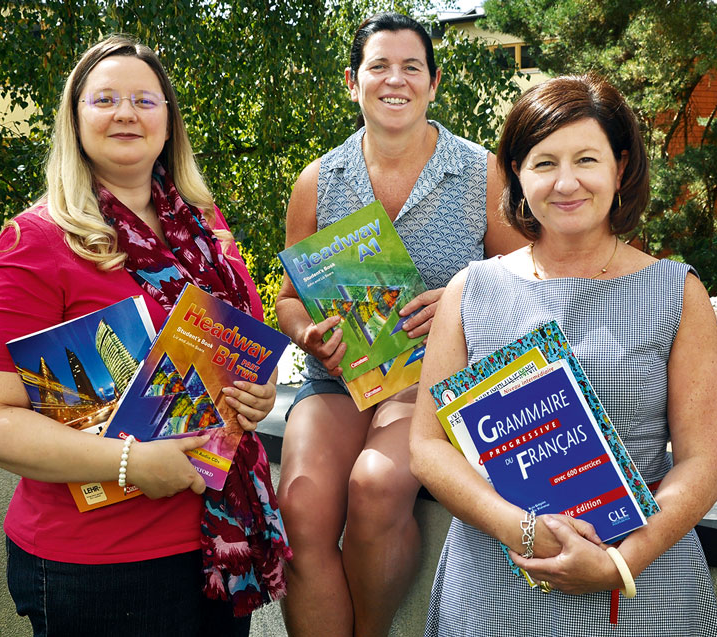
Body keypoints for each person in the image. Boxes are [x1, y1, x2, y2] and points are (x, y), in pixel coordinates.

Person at [0, 35, 290, 637]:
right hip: (96, 570)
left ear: (168, 124)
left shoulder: (205, 232)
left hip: (215, 553)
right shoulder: (35, 242)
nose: (126, 112)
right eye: (104, 98)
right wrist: (131, 463)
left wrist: (254, 399)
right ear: (75, 119)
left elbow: (235, 354)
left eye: (144, 99)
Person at [410, 74, 717, 636]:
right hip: (496, 581)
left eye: (586, 159)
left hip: (641, 585)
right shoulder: (470, 289)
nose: (566, 183)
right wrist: (522, 530)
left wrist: (619, 562)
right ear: (516, 172)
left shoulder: (677, 291)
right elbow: (428, 447)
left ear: (620, 167)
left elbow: (703, 464)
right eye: (543, 162)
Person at [274, 12, 527, 637]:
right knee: (299, 505)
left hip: (430, 383)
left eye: (411, 67)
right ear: (352, 81)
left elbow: (525, 279)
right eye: (378, 66)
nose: (396, 80)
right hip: (340, 380)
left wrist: (460, 299)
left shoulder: (481, 173)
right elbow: (286, 299)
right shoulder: (317, 180)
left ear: (434, 82)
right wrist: (309, 334)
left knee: (379, 484)